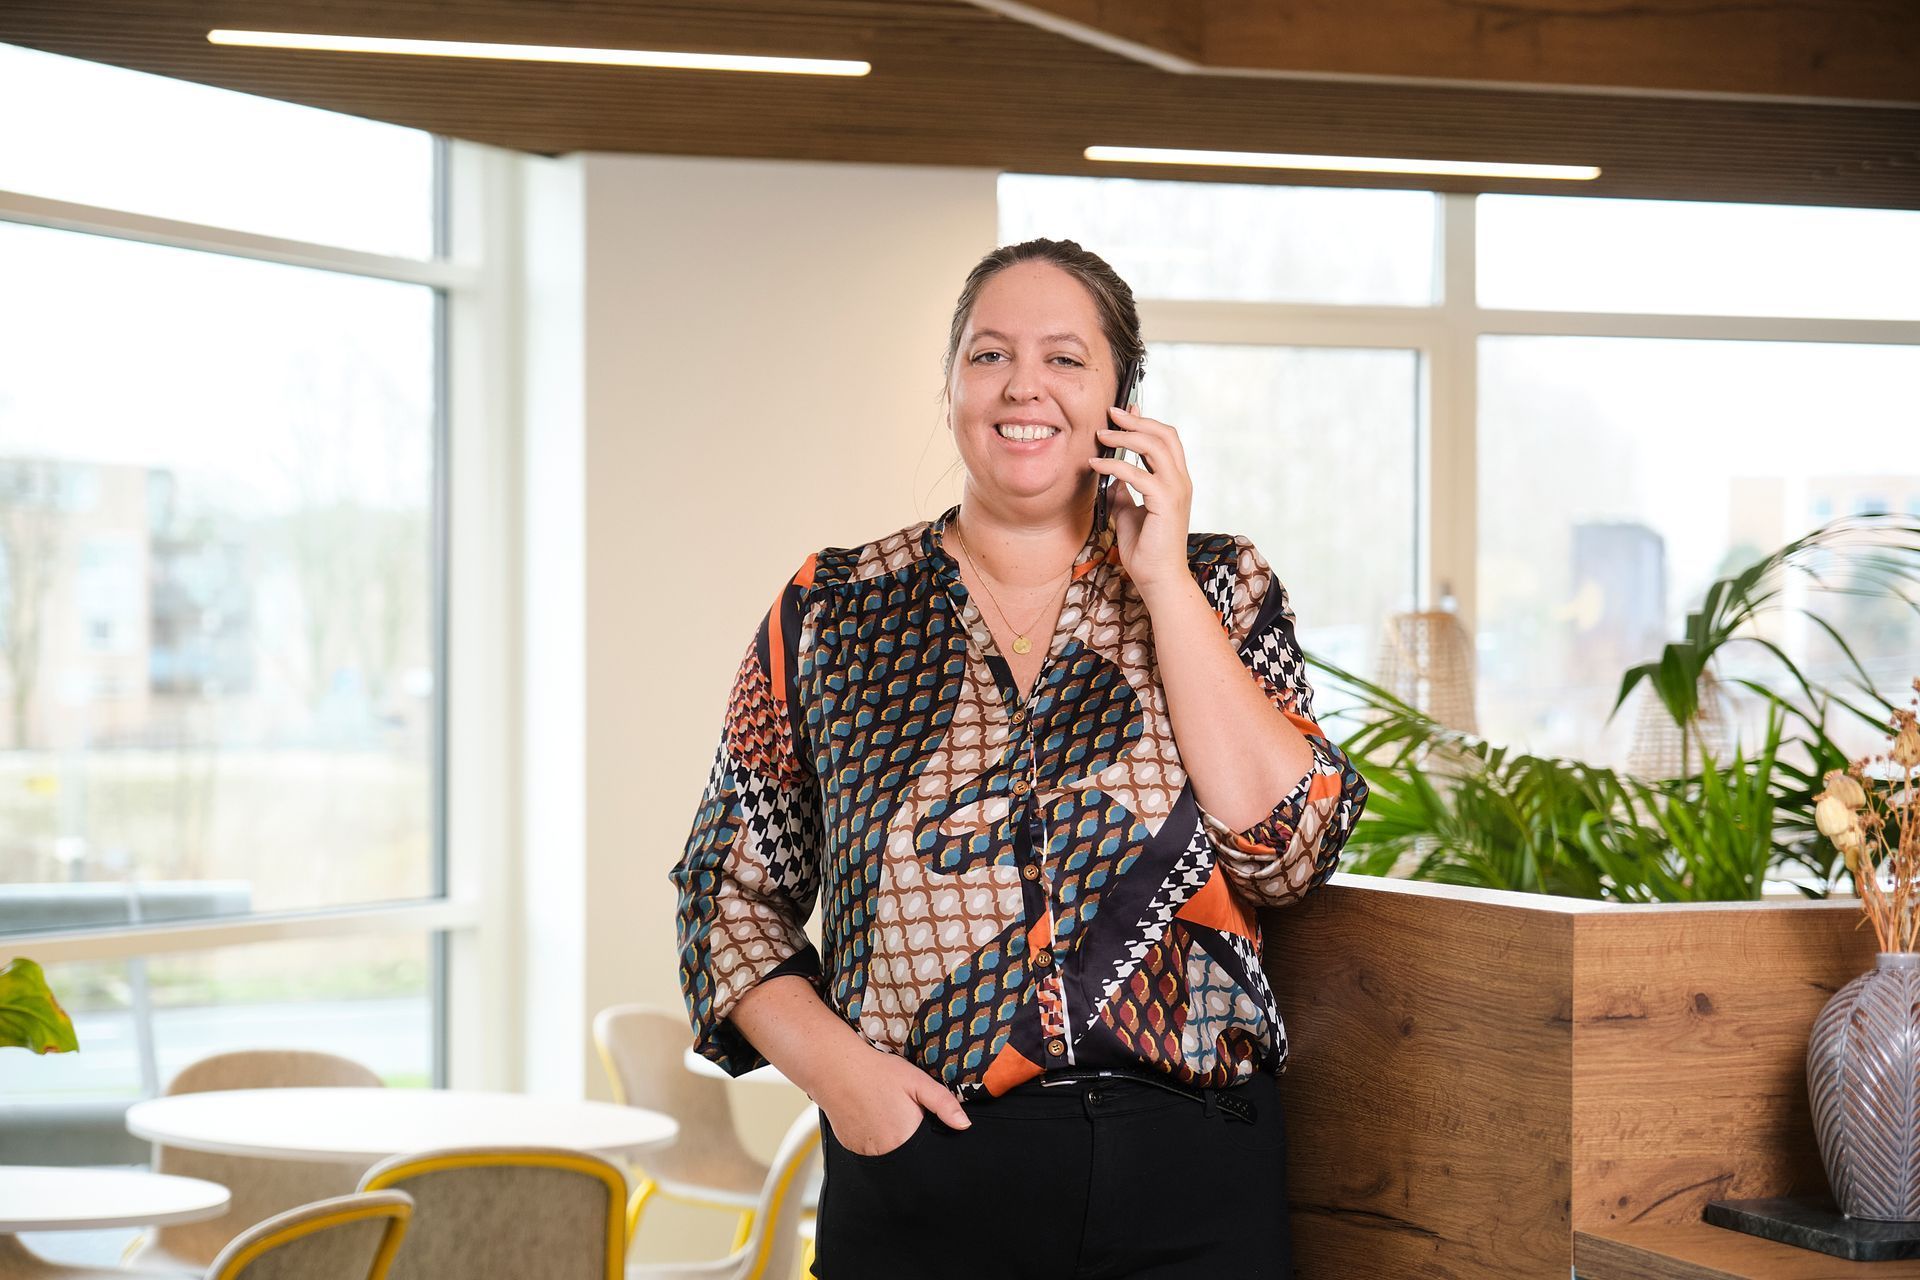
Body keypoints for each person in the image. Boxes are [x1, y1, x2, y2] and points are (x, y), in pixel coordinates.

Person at [671, 237, 1368, 1279]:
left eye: (1066, 358)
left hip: (1193, 1174)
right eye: (990, 354)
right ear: (949, 384)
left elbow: (1289, 849)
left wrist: (1164, 581)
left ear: (1122, 398)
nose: (1023, 385)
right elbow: (725, 894)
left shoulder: (1222, 585)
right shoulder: (831, 609)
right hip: (928, 1169)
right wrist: (848, 1083)